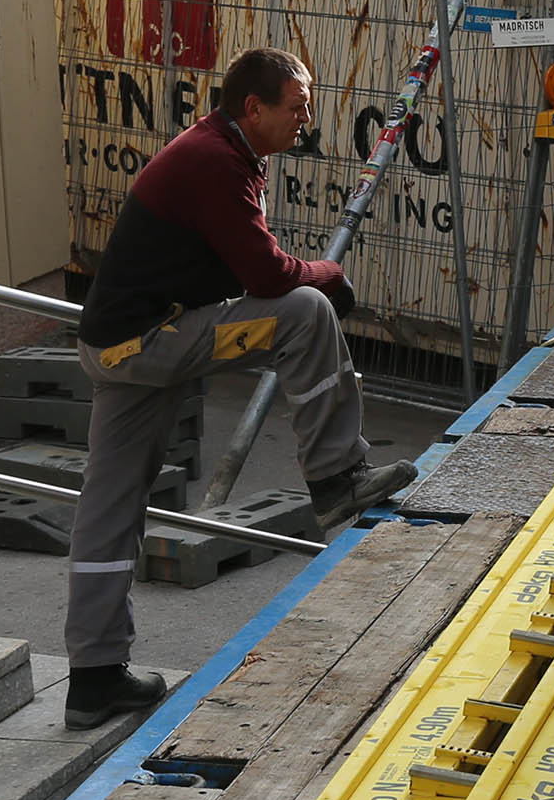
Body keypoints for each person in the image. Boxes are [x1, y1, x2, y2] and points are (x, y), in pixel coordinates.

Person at [67, 48, 403, 728]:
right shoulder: (216, 160)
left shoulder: (222, 150)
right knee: (305, 311)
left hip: (114, 343)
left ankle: (93, 677)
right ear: (254, 106)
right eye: (297, 107)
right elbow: (269, 276)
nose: (306, 120)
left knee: (109, 505)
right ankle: (339, 480)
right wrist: (328, 277)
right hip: (149, 340)